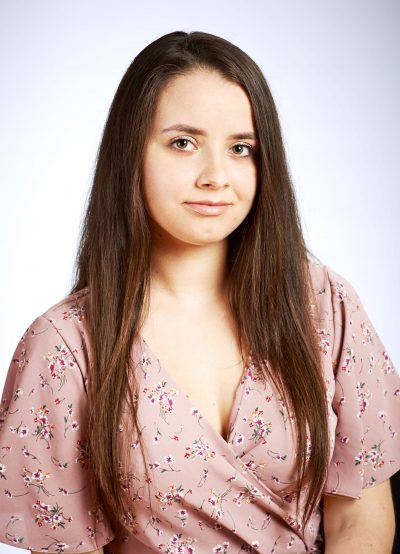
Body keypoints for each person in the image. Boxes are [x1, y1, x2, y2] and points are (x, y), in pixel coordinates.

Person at [0, 30, 399, 554]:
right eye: (183, 143)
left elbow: (360, 520)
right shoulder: (64, 346)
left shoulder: (324, 304)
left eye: (241, 148)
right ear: (130, 153)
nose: (216, 176)